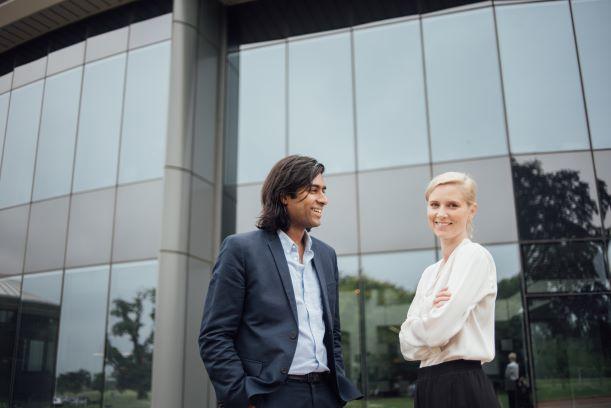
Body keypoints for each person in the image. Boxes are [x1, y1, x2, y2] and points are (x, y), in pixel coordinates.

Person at [199, 155, 362, 408]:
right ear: (285, 195)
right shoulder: (241, 249)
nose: (324, 199)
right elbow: (215, 335)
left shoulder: (326, 255)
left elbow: (333, 333)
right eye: (313, 190)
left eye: (324, 190)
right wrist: (243, 398)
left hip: (324, 395)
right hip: (270, 396)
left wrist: (336, 386)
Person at [398, 172, 499, 407]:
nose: (441, 214)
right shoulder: (430, 273)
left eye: (452, 205)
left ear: (471, 210)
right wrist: (430, 314)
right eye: (434, 205)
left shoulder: (474, 256)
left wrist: (420, 324)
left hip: (462, 385)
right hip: (427, 385)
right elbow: (405, 346)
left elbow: (438, 331)